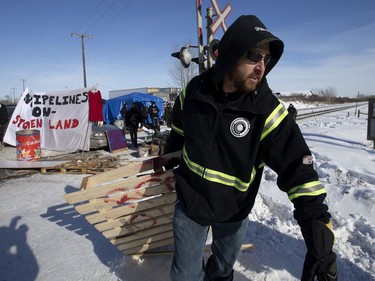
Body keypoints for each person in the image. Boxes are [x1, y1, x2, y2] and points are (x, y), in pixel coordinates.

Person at [164, 15, 338, 281]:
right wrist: (169, 156)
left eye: (266, 60)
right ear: (232, 53)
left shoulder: (266, 111)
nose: (261, 67)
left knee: (222, 273)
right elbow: (178, 127)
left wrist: (315, 224)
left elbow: (297, 168)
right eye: (254, 56)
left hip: (234, 211)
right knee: (185, 275)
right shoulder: (195, 91)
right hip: (191, 206)